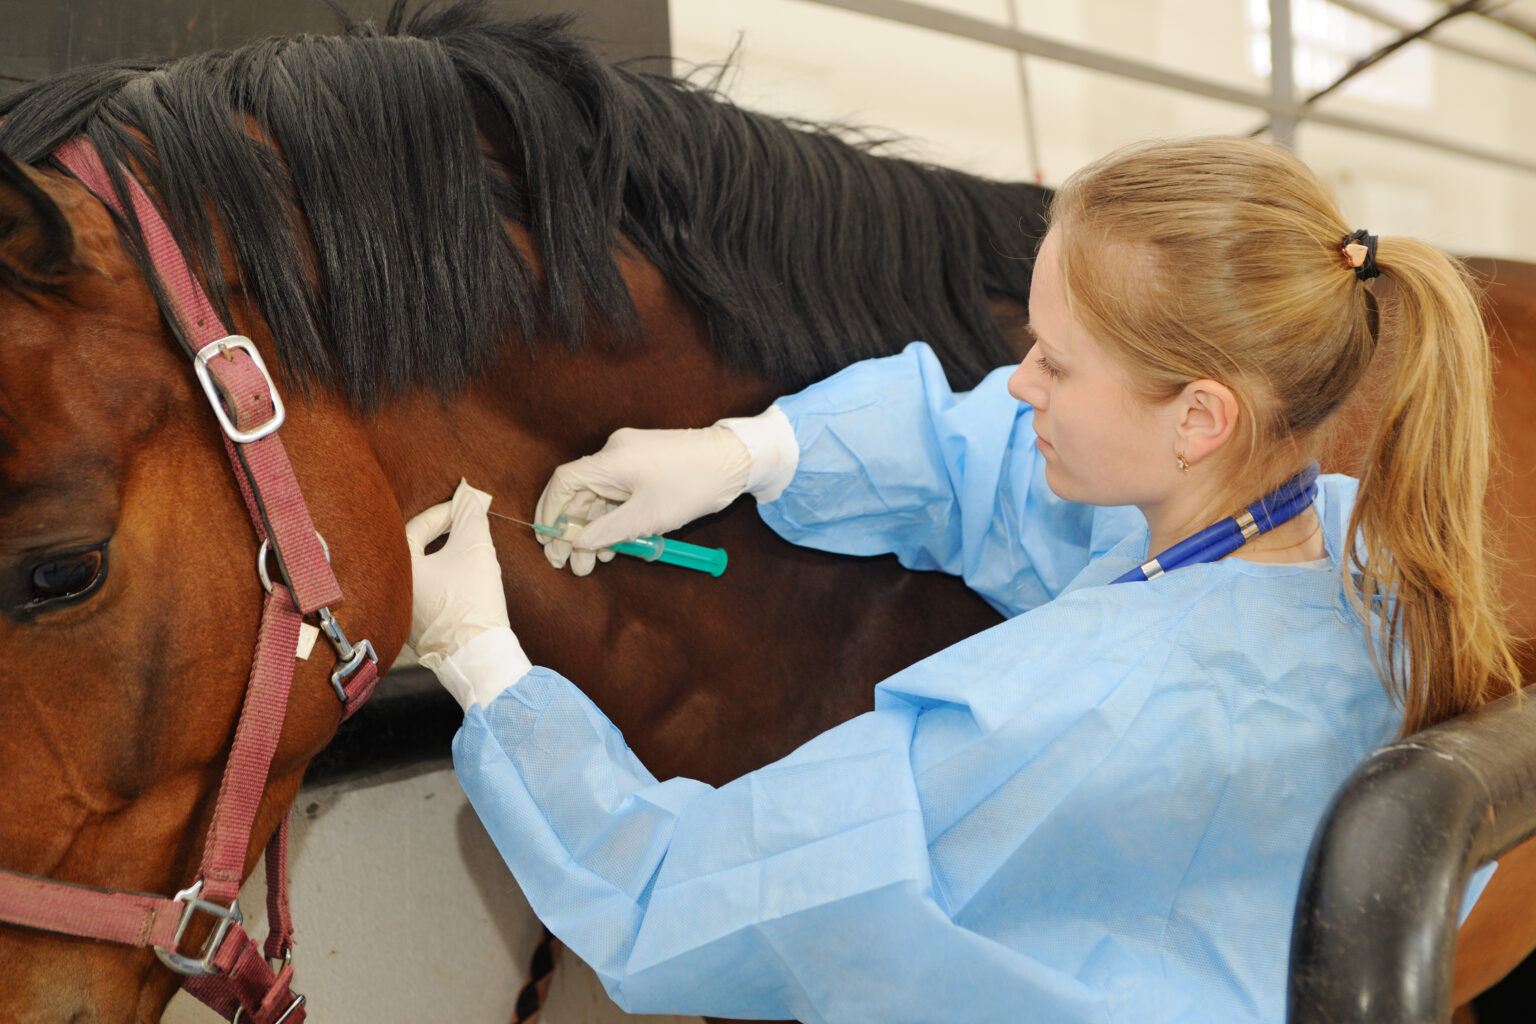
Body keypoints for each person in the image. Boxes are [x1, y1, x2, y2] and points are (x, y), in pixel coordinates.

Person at [403, 137, 1522, 1023]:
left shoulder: (1060, 715)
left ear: (1199, 417)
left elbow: (682, 893)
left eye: (1054, 360)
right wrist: (748, 452)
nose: (1019, 384)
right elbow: (988, 466)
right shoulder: (1350, 556)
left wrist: (486, 668)